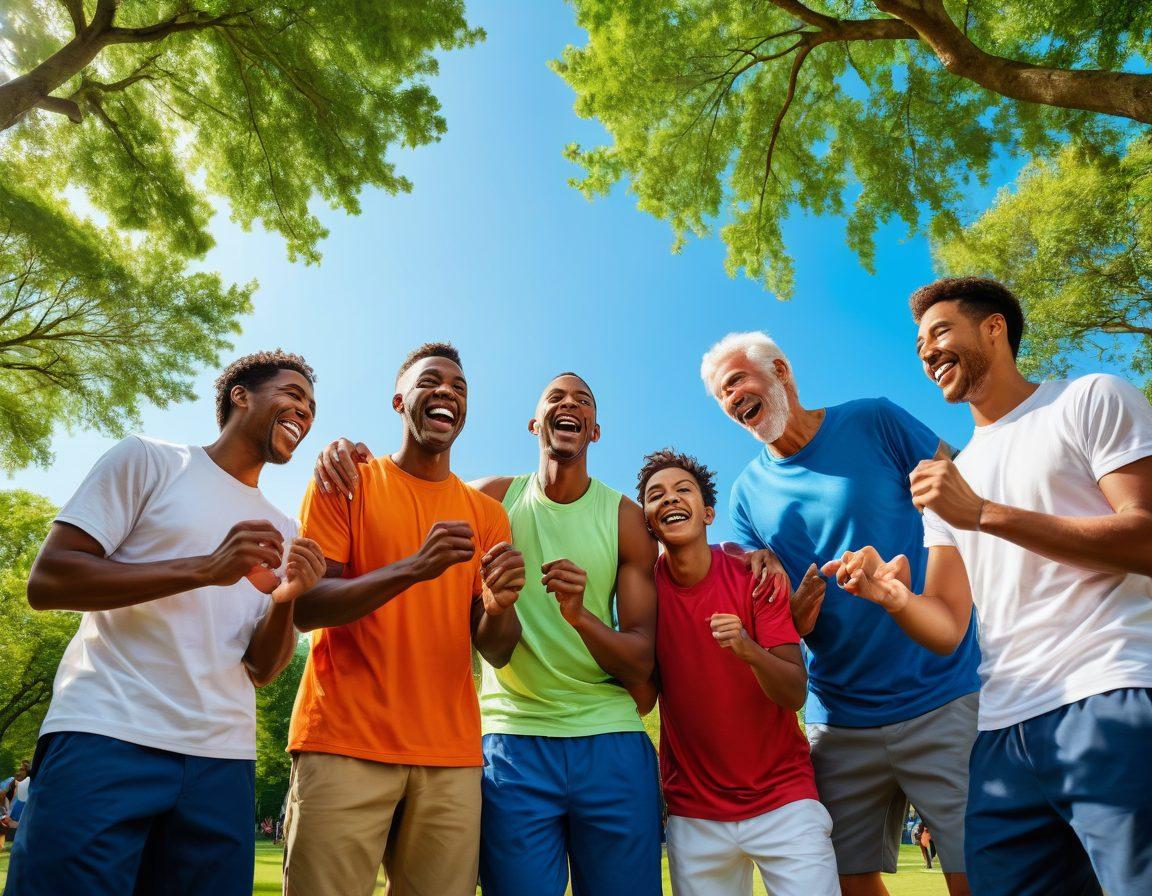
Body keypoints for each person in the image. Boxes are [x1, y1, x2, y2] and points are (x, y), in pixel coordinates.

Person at [826, 277, 1152, 896]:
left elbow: (1145, 537)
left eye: (940, 332)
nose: (927, 352)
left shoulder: (1089, 399)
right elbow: (948, 626)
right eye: (919, 346)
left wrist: (982, 514)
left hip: (1109, 691)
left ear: (994, 328)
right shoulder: (951, 478)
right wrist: (894, 598)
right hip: (1002, 732)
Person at [315, 372, 663, 896]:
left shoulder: (626, 519)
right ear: (534, 424)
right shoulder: (488, 501)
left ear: (594, 430)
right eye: (555, 398)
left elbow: (641, 661)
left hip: (609, 736)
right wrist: (346, 455)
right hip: (512, 741)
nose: (569, 404)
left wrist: (581, 618)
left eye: (583, 401)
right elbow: (412, 495)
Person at [3, 350, 326, 896]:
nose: (304, 412)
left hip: (222, 760)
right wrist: (207, 568)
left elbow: (263, 668)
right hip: (106, 731)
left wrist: (286, 601)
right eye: (292, 394)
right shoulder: (149, 460)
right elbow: (50, 580)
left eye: (312, 407)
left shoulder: (285, 527)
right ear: (240, 396)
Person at [699, 332, 981, 896]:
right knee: (847, 882)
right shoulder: (746, 495)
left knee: (976, 871)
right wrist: (795, 616)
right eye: (721, 396)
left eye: (736, 382)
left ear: (780, 370)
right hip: (840, 718)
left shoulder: (875, 420)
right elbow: (771, 614)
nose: (731, 399)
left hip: (943, 692)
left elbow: (963, 485)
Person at [282, 342, 525, 896]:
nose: (446, 392)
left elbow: (496, 648)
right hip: (343, 742)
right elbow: (305, 606)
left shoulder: (488, 515)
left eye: (459, 387)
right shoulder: (349, 480)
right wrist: (413, 568)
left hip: (450, 758)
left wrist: (500, 605)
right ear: (399, 401)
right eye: (430, 381)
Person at [637, 448, 840, 896]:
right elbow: (642, 694)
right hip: (695, 814)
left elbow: (794, 691)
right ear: (648, 522)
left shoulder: (754, 576)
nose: (670, 498)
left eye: (683, 489)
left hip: (785, 801)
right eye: (656, 495)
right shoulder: (643, 593)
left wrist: (748, 649)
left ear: (708, 512)